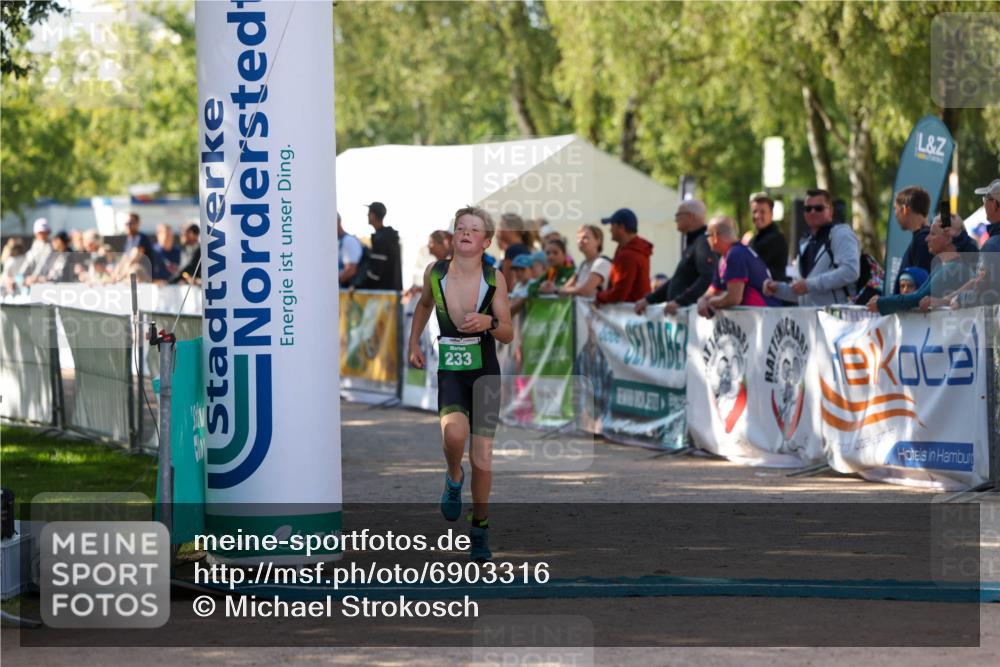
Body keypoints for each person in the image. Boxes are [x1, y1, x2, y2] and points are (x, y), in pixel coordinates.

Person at [407, 206, 513, 562]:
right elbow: (424, 305)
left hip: (485, 373)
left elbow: (508, 332)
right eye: (461, 227)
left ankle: (480, 527)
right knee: (454, 435)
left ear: (486, 241)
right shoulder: (435, 272)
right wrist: (413, 343)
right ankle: (454, 477)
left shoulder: (494, 279)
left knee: (482, 456)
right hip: (451, 370)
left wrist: (489, 322)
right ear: (453, 237)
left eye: (474, 229)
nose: (466, 232)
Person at [764, 189, 860, 306]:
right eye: (808, 208)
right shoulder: (805, 242)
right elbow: (803, 292)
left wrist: (809, 284)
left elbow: (851, 271)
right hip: (809, 316)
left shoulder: (841, 234)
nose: (813, 212)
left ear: (830, 210)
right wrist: (777, 289)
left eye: (819, 208)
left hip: (837, 315)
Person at [868, 214, 975, 315]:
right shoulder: (943, 267)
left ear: (947, 239)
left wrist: (881, 303)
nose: (926, 239)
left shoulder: (954, 268)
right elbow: (918, 295)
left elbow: (918, 298)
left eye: (932, 234)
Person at [635, 199, 715, 315]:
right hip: (682, 316)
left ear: (691, 216)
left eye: (678, 215)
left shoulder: (703, 243)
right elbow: (678, 279)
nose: (675, 219)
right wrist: (649, 300)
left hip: (692, 317)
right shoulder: (694, 243)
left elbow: (708, 277)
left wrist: (680, 301)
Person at [696, 215, 780, 317]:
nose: (706, 240)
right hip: (758, 318)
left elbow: (734, 298)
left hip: (765, 318)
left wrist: (711, 302)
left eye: (707, 235)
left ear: (714, 237)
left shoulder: (736, 254)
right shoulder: (727, 256)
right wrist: (703, 299)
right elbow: (714, 289)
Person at [595, 207, 652, 305]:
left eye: (612, 225)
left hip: (630, 311)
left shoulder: (628, 255)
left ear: (621, 227)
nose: (610, 230)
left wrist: (599, 296)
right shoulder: (635, 249)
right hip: (635, 309)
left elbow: (619, 294)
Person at [892, 186, 932, 293]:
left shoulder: (923, 241)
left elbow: (920, 285)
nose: (895, 214)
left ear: (905, 209)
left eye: (895, 209)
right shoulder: (923, 239)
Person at [559, 225, 612, 298]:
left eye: (585, 237)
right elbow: (566, 288)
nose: (580, 241)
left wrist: (556, 290)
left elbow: (585, 291)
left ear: (598, 241)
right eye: (578, 238)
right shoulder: (582, 264)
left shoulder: (602, 262)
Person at [748, 192, 789, 283]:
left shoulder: (776, 239)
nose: (757, 216)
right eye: (754, 211)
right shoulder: (755, 238)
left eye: (762, 212)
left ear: (771, 214)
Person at [360, 202, 402, 291]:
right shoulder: (388, 236)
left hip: (383, 294)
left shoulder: (382, 239)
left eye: (369, 213)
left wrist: (357, 286)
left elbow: (375, 273)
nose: (367, 215)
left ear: (374, 215)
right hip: (391, 292)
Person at [113, 212, 161, 283]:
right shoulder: (129, 240)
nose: (128, 226)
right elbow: (123, 260)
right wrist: (114, 275)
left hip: (146, 278)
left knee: (134, 269)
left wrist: (121, 276)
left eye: (131, 223)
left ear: (138, 224)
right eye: (126, 223)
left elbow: (134, 259)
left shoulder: (141, 238)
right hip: (133, 276)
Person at [497, 213, 532, 289]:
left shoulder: (512, 250)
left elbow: (507, 283)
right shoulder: (524, 247)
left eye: (502, 226)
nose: (499, 230)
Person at [21, 217, 54, 285]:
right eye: (39, 232)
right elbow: (26, 266)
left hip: (46, 283)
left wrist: (35, 278)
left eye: (43, 232)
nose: (41, 235)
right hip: (33, 283)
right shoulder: (34, 247)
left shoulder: (51, 248)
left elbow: (43, 266)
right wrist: (21, 278)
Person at [337, 213, 364, 288]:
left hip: (347, 290)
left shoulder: (349, 241)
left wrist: (331, 283)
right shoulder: (339, 241)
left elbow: (351, 270)